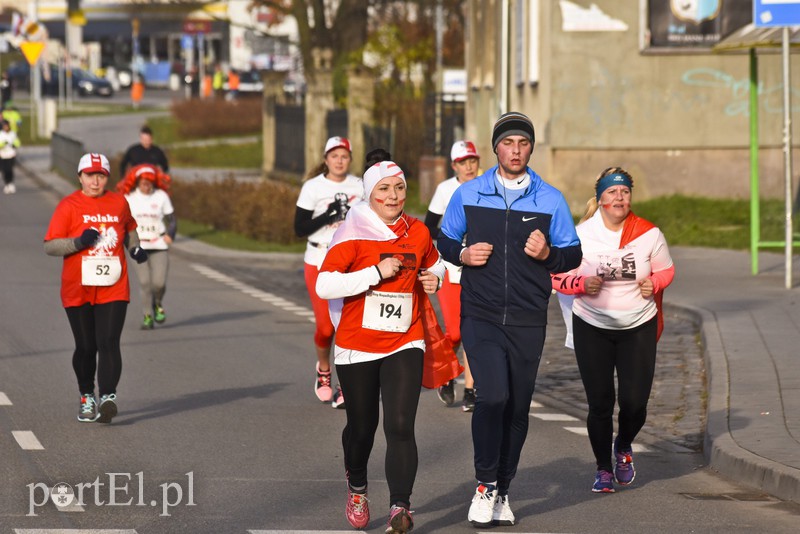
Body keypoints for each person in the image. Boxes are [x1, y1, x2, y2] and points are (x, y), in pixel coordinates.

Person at [437, 112, 582, 527]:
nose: (515, 151)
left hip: (527, 316)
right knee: (492, 396)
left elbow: (573, 253)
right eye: (507, 143)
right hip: (480, 313)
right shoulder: (469, 194)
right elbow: (445, 239)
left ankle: (502, 488)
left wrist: (548, 255)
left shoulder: (550, 199)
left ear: (530, 148)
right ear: (496, 147)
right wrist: (462, 255)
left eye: (522, 144)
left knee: (518, 407)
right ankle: (484, 485)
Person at [316, 158, 445, 533]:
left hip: (406, 339)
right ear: (370, 194)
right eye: (384, 189)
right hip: (357, 344)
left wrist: (434, 277)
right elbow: (325, 285)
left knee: (401, 424)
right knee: (362, 427)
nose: (393, 196)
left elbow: (437, 264)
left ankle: (399, 507)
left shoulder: (418, 232)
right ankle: (357, 485)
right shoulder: (351, 233)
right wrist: (374, 272)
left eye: (399, 188)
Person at [551, 167, 675, 493]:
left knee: (635, 403)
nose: (619, 197)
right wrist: (581, 282)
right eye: (612, 192)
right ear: (601, 199)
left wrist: (655, 283)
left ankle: (624, 444)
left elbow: (667, 270)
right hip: (592, 325)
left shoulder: (649, 234)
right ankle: (603, 468)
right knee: (600, 403)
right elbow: (556, 278)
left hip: (638, 325)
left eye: (624, 192)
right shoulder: (580, 235)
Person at [43, 153, 148, 424]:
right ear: (80, 177)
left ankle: (108, 398)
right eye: (90, 175)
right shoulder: (68, 206)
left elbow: (130, 228)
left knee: (109, 341)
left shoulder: (118, 202)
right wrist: (78, 242)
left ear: (107, 178)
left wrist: (134, 247)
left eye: (101, 175)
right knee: (87, 346)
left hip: (112, 285)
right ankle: (86, 395)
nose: (95, 180)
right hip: (77, 287)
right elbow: (50, 245)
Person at [294, 137, 364, 408]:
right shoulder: (313, 187)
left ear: (350, 159)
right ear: (325, 159)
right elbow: (299, 228)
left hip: (351, 260)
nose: (339, 161)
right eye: (334, 156)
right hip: (318, 258)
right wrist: (329, 215)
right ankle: (324, 371)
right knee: (326, 328)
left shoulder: (359, 185)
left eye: (344, 156)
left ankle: (345, 386)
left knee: (348, 326)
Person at [424, 140, 481, 412]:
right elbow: (428, 227)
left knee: (474, 330)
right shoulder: (445, 189)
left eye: (472, 160)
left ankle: (471, 389)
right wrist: (453, 238)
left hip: (480, 267)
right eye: (463, 162)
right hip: (450, 268)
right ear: (454, 165)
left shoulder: (489, 185)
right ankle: (447, 373)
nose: (469, 166)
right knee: (456, 333)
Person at [116, 164, 176, 330]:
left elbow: (172, 219)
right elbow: (121, 220)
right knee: (145, 282)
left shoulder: (161, 196)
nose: (146, 185)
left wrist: (171, 234)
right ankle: (147, 315)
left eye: (149, 182)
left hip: (159, 245)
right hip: (138, 246)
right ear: (137, 182)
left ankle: (157, 303)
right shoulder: (129, 198)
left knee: (159, 283)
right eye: (143, 182)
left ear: (154, 183)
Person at [0, 119, 20, 194]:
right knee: (4, 170)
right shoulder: (1, 134)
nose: (5, 127)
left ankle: (11, 183)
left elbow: (17, 142)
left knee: (9, 169)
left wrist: (14, 144)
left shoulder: (12, 134)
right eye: (4, 126)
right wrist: (3, 144)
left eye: (6, 126)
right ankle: (6, 183)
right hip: (2, 155)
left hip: (11, 154)